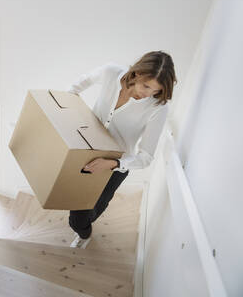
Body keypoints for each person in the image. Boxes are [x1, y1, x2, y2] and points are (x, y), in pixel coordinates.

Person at [67, 51, 177, 248]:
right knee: (74, 206)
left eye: (155, 90)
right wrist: (67, 103)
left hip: (113, 168)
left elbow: (146, 156)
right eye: (146, 86)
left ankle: (84, 236)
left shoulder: (158, 108)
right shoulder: (111, 72)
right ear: (137, 73)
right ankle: (83, 224)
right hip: (85, 151)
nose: (148, 94)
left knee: (81, 219)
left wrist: (112, 164)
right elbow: (81, 82)